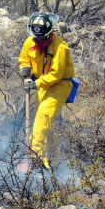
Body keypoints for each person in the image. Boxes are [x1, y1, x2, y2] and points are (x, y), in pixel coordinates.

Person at [18, 12, 75, 169]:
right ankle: (55, 160)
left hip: (60, 85)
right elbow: (24, 58)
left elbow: (56, 74)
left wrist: (36, 84)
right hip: (42, 85)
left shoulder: (60, 47)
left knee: (42, 119)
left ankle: (36, 162)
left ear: (49, 32)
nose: (38, 39)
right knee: (45, 124)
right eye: (36, 36)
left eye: (42, 36)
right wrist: (25, 69)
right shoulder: (30, 41)